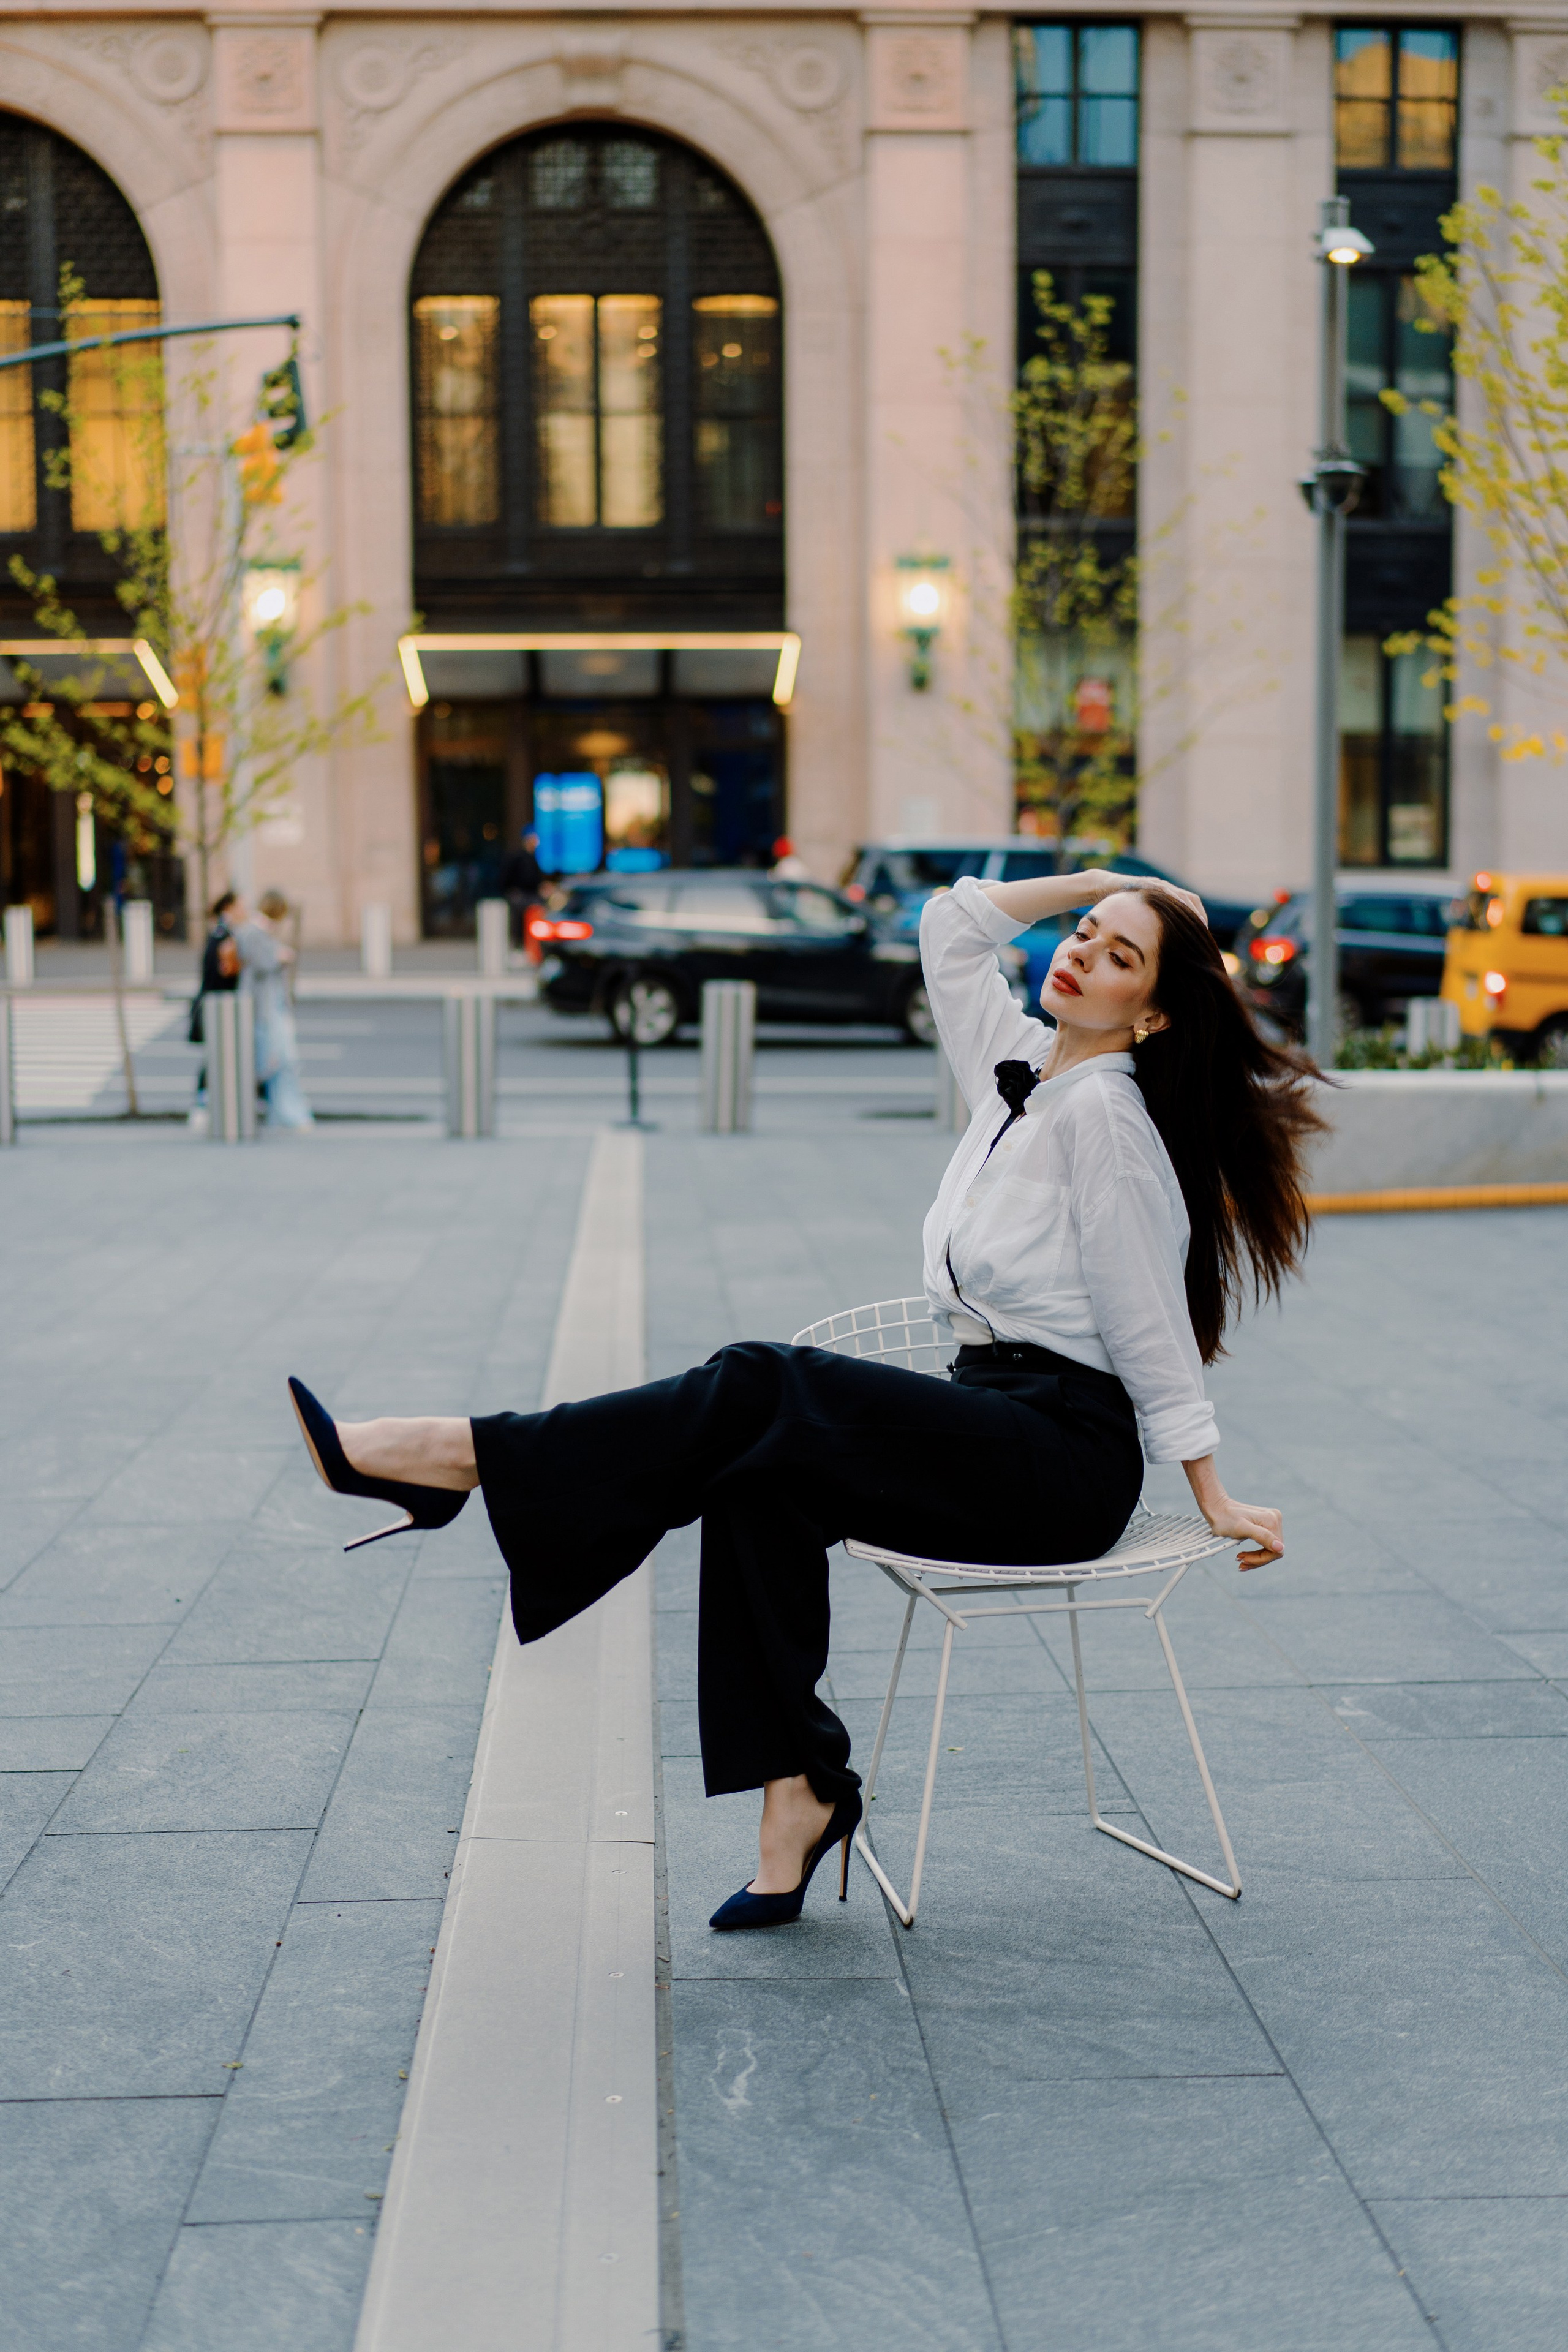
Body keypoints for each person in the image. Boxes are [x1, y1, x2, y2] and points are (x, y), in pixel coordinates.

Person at [285, 867, 1322, 1930]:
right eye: (1085, 933)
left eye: (1118, 957)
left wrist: (1210, 1487)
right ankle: (802, 1794)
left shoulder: (1105, 1117)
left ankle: (459, 1457)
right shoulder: (1020, 1064)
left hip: (1062, 1455)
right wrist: (1104, 877)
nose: (1081, 952)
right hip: (991, 1412)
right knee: (755, 1479)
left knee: (761, 1381)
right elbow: (952, 928)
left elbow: (1148, 1320)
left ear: (1151, 1013)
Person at [238, 889, 314, 1131]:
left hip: (271, 1006)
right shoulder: (254, 932)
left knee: (278, 1061)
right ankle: (288, 1114)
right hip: (265, 1008)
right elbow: (262, 962)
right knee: (279, 1061)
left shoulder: (257, 932)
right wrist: (279, 956)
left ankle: (281, 1112)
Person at [188, 889, 242, 1133]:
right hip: (218, 1005)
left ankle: (204, 1103)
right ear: (229, 908)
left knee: (216, 1056)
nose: (245, 910)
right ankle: (202, 1104)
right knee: (215, 1056)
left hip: (214, 1002)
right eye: (242, 905)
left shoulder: (221, 933)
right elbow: (222, 973)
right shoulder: (224, 936)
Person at [502, 827, 545, 949]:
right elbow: (506, 878)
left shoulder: (534, 857)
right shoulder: (517, 856)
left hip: (533, 895)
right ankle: (518, 944)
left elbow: (536, 880)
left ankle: (535, 946)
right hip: (521, 895)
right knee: (519, 917)